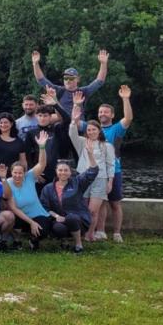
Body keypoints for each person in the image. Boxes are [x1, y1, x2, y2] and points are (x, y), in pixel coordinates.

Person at [67, 91, 116, 242]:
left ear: (99, 131)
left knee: (93, 210)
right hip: (83, 178)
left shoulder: (106, 146)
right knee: (82, 208)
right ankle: (81, 233)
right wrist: (74, 121)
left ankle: (90, 234)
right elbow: (72, 134)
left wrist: (110, 182)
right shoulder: (82, 142)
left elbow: (110, 165)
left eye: (94, 129)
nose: (91, 132)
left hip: (100, 180)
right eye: (89, 130)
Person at [40, 141, 101, 254]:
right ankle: (64, 241)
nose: (63, 173)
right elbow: (45, 208)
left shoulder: (77, 182)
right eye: (60, 170)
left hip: (78, 220)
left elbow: (93, 171)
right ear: (56, 172)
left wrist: (91, 154)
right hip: (60, 220)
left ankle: (78, 244)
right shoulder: (48, 188)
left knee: (71, 218)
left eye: (66, 170)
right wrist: (56, 216)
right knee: (58, 228)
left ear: (70, 172)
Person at [0, 131, 52, 251]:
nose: (18, 175)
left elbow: (42, 163)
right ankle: (16, 240)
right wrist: (31, 222)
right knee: (11, 219)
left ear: (24, 173)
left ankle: (33, 240)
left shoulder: (30, 177)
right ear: (11, 173)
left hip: (37, 214)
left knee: (43, 231)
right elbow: (13, 208)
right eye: (15, 173)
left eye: (20, 173)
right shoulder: (8, 183)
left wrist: (42, 147)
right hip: (20, 216)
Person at [95, 84, 134, 243]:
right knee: (101, 203)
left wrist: (125, 99)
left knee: (115, 204)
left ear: (112, 115)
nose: (102, 114)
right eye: (100, 112)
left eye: (105, 112)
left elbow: (129, 118)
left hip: (114, 171)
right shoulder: (93, 129)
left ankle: (117, 233)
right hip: (98, 172)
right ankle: (100, 231)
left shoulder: (117, 128)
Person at [32, 49, 109, 117]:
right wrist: (35, 64)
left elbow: (99, 81)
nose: (68, 80)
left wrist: (103, 64)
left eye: (71, 78)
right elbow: (41, 80)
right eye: (66, 78)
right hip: (63, 125)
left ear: (77, 79)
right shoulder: (58, 90)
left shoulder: (83, 92)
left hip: (78, 126)